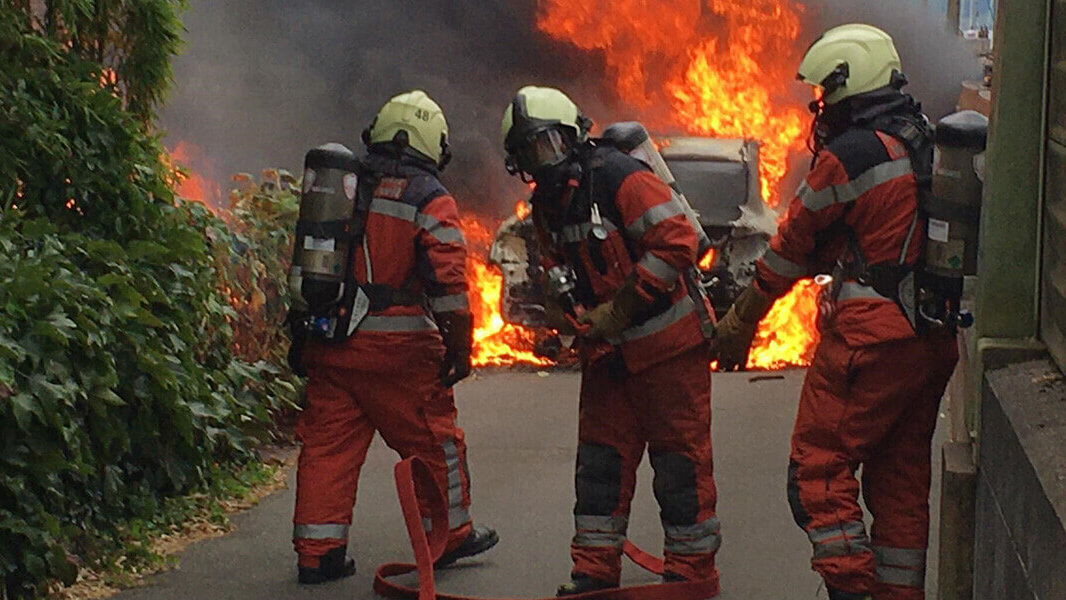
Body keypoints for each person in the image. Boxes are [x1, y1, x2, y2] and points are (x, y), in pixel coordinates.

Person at [710, 24, 960, 600]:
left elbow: (794, 242)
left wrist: (744, 315)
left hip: (871, 343)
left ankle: (849, 590)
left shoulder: (849, 156)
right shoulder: (920, 141)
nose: (821, 105)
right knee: (899, 480)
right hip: (931, 338)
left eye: (826, 92)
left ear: (851, 84)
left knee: (818, 473)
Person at [501, 86, 721, 597]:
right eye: (530, 152)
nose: (542, 160)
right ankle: (594, 572)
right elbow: (557, 265)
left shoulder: (620, 177)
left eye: (549, 145)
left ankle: (689, 573)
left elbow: (678, 242)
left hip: (668, 350)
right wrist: (563, 309)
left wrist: (620, 308)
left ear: (572, 136)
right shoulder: (547, 206)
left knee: (679, 466)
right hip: (608, 357)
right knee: (599, 467)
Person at [288, 90, 498, 584]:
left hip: (331, 345)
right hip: (398, 355)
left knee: (327, 448)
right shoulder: (428, 196)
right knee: (433, 442)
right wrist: (459, 346)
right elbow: (447, 281)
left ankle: (318, 554)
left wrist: (300, 337)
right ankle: (449, 535)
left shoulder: (342, 185)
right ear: (432, 143)